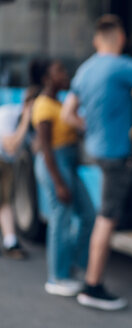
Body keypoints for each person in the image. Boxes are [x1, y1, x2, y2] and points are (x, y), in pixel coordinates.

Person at [61, 14, 132, 310]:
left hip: (99, 149)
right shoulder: (122, 65)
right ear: (120, 39)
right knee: (106, 219)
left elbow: (67, 114)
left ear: (97, 39)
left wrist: (89, 126)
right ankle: (92, 286)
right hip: (115, 155)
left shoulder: (85, 70)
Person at [31, 58, 96, 296]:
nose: (65, 73)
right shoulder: (43, 106)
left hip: (67, 164)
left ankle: (73, 265)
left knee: (88, 214)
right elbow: (46, 149)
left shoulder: (59, 103)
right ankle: (57, 277)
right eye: (59, 70)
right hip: (54, 165)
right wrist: (58, 182)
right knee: (61, 218)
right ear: (47, 78)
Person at [0, 77, 41, 260]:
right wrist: (26, 118)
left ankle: (10, 241)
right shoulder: (8, 114)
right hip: (3, 158)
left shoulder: (34, 126)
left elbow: (36, 148)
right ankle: (10, 241)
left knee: (5, 200)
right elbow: (11, 145)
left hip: (5, 163)